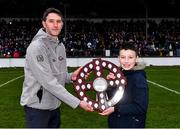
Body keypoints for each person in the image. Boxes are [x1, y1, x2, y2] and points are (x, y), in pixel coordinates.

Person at [20, 7, 93, 128]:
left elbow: (60, 75)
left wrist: (72, 77)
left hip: (54, 108)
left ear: (62, 24)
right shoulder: (36, 47)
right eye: (51, 21)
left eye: (58, 21)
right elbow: (48, 82)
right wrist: (78, 102)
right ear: (44, 23)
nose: (55, 25)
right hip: (37, 108)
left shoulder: (61, 46)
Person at [99, 43, 149, 128]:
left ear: (136, 59)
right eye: (123, 57)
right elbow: (114, 99)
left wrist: (116, 109)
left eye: (130, 57)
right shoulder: (118, 75)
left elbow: (140, 107)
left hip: (131, 124)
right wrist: (109, 84)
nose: (126, 61)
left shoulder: (139, 79)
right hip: (115, 122)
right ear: (118, 58)